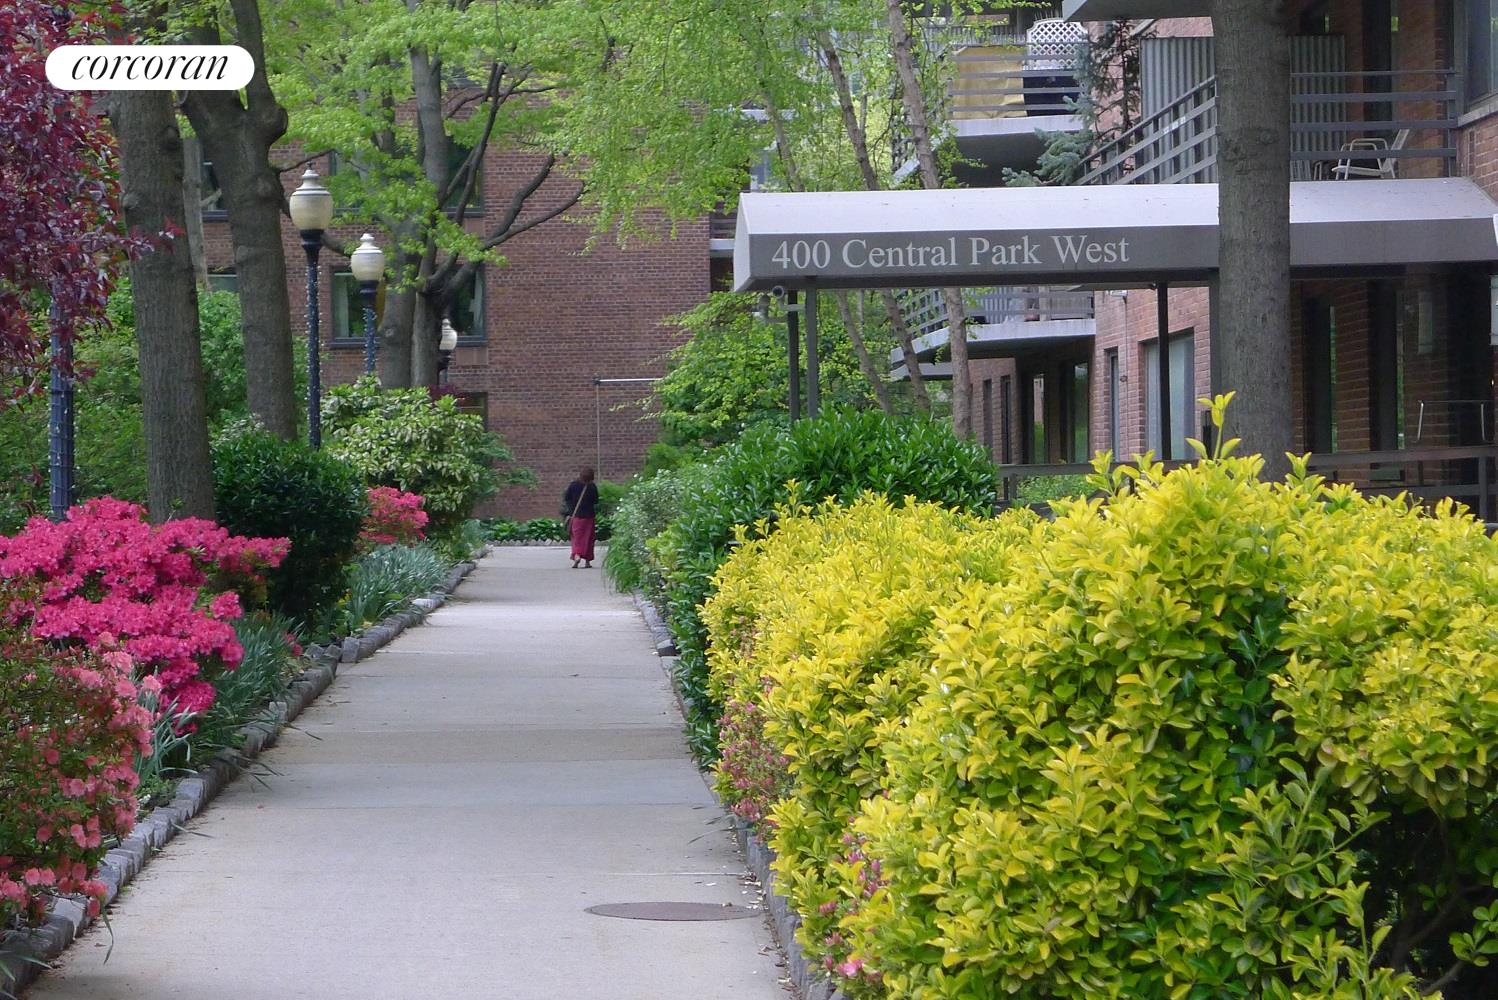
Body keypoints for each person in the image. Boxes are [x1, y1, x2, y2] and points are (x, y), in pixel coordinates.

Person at [561, 467, 599, 569]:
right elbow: (596, 501)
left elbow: (566, 498)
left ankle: (577, 555)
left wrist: (571, 509)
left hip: (576, 516)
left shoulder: (573, 485)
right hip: (589, 516)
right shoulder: (592, 486)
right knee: (589, 538)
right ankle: (587, 561)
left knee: (577, 538)